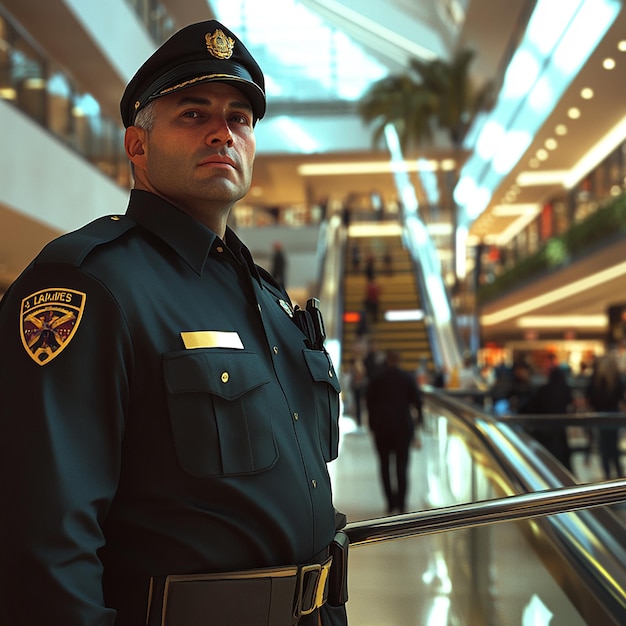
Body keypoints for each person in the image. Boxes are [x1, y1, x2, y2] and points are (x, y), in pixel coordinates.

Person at [0, 20, 348, 626]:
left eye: (240, 118)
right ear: (137, 146)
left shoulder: (263, 295)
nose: (223, 132)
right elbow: (42, 530)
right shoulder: (89, 285)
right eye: (194, 114)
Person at [366, 350, 423, 514]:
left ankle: (390, 503)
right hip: (403, 427)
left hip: (381, 427)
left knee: (384, 465)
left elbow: (369, 403)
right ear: (399, 360)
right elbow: (418, 403)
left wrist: (372, 426)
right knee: (402, 466)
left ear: (386, 360)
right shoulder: (407, 378)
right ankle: (402, 503)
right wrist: (418, 426)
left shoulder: (376, 378)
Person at [519, 365, 574, 471]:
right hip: (559, 430)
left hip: (545, 431)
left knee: (549, 460)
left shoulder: (544, 390)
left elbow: (532, 407)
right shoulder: (565, 390)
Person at [586, 355, 626, 479]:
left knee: (604, 446)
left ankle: (608, 474)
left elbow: (590, 396)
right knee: (613, 444)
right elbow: (621, 396)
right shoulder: (615, 378)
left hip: (600, 415)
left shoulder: (596, 379)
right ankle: (618, 473)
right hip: (613, 414)